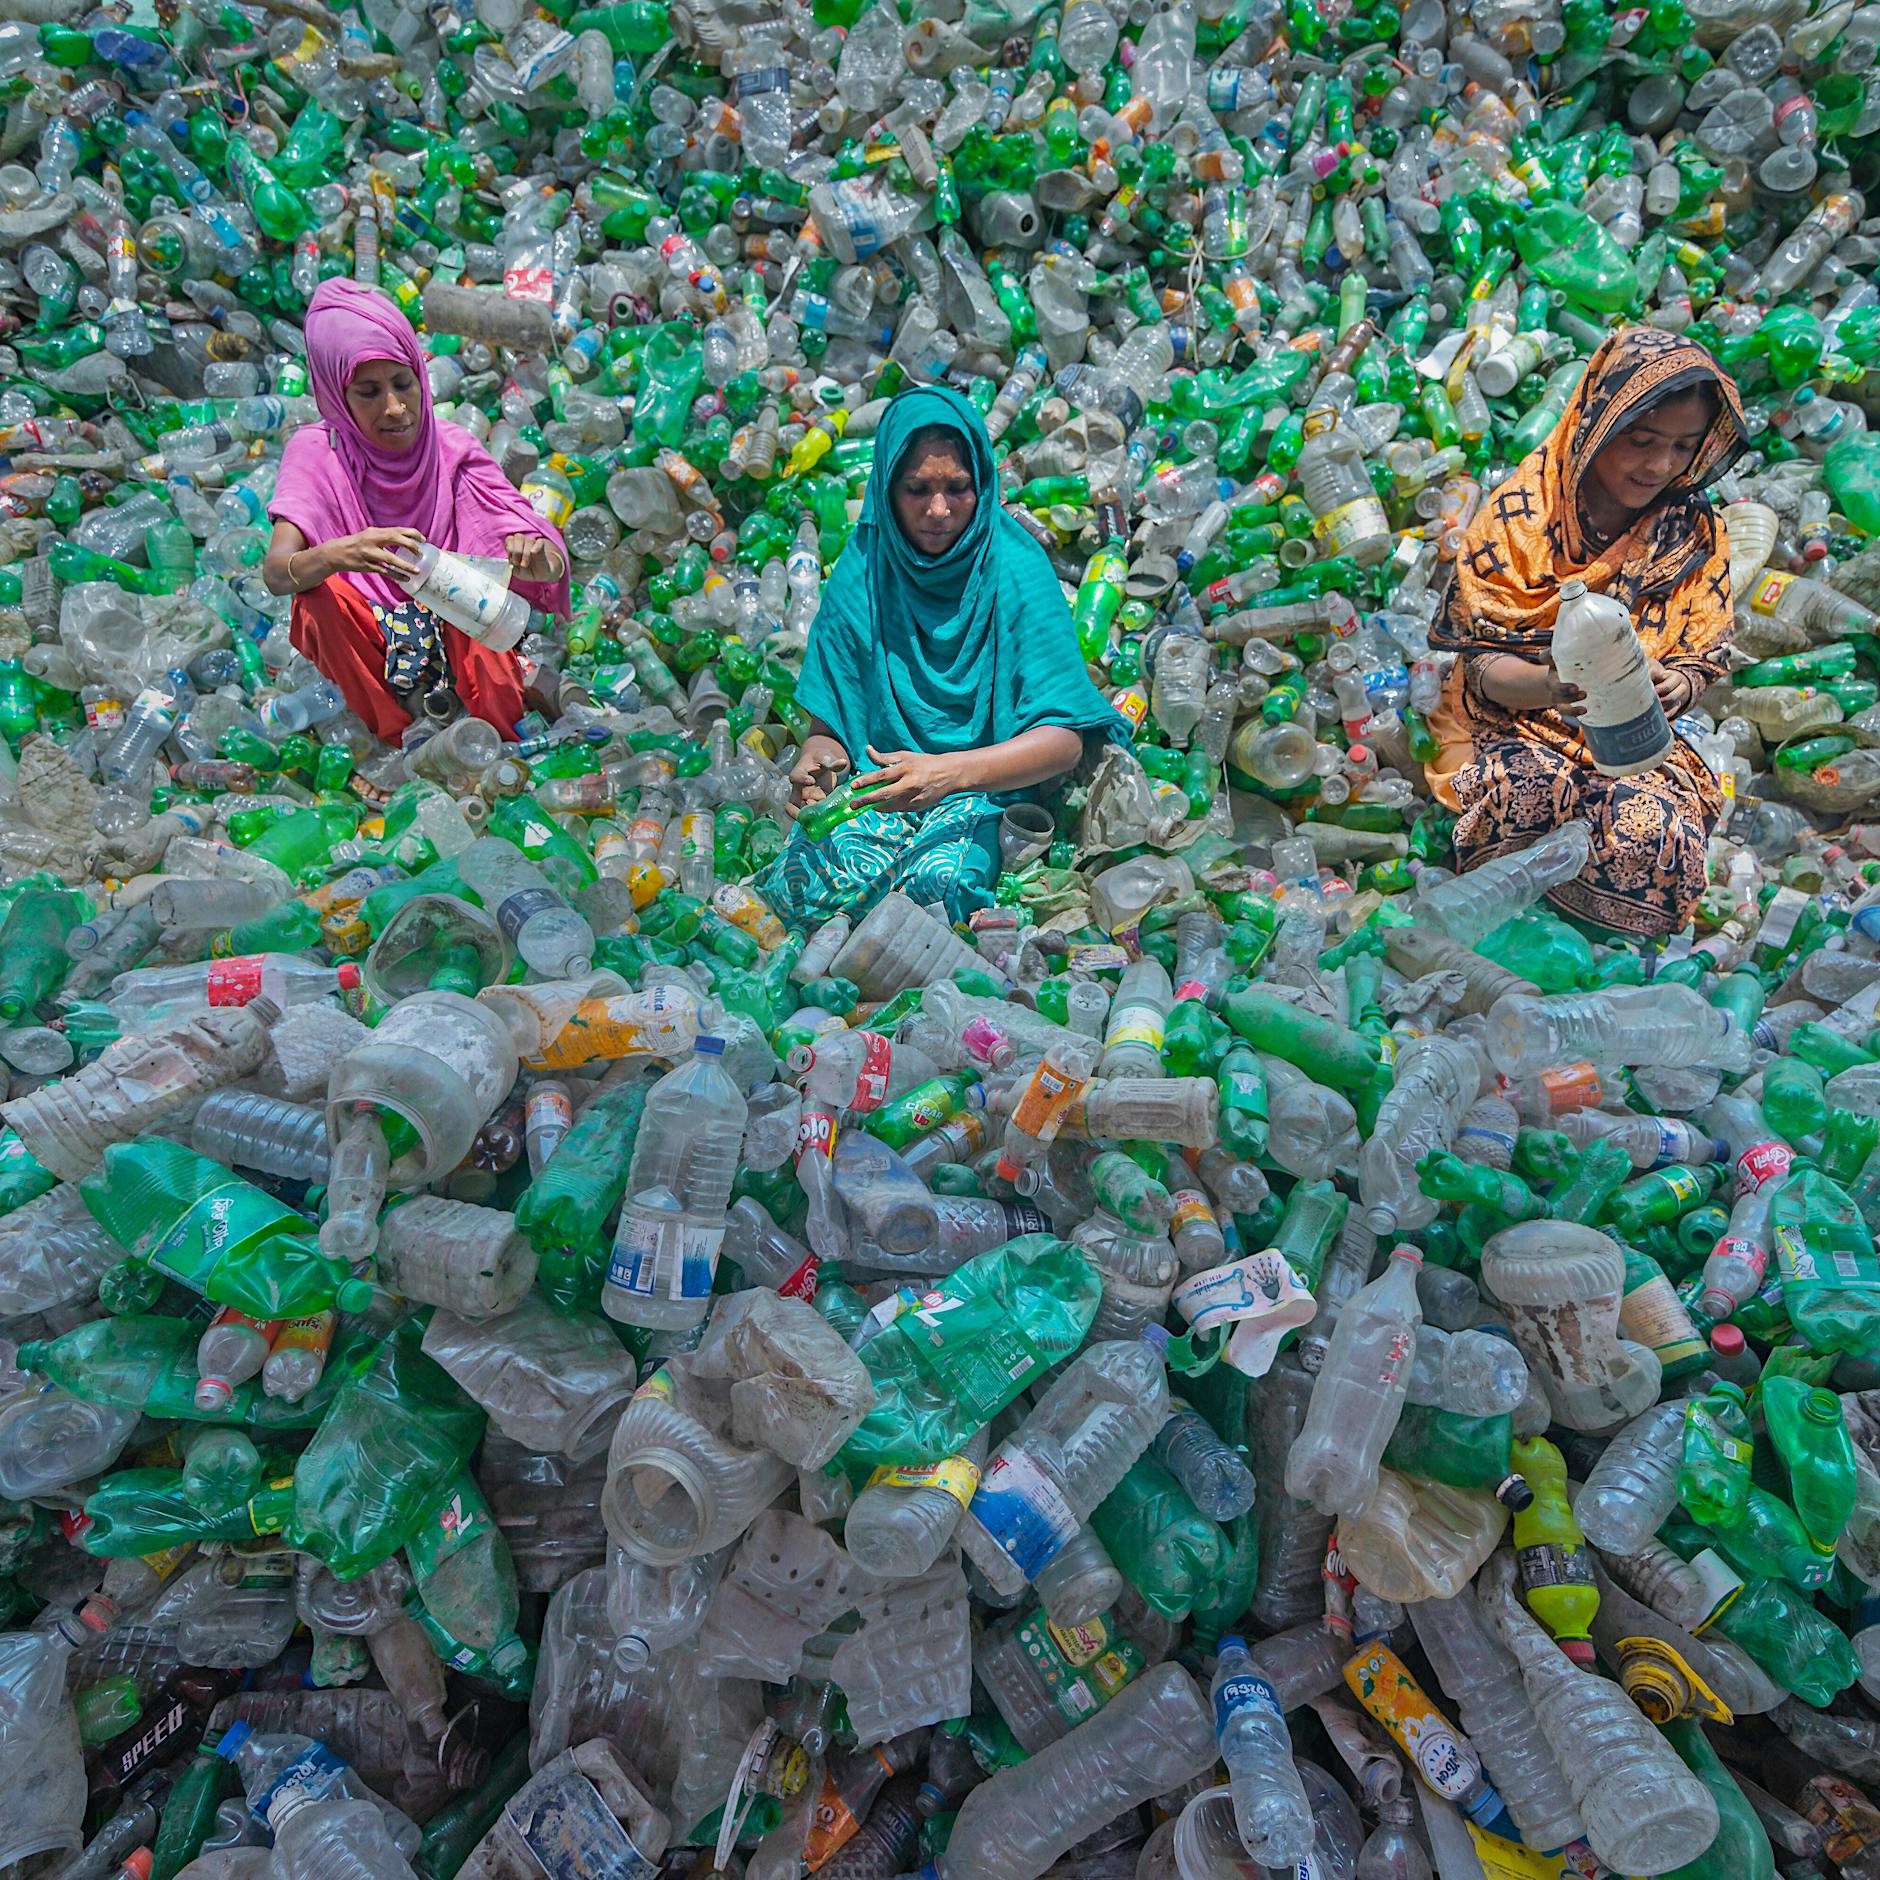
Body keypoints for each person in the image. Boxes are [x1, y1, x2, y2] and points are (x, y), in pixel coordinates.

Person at [756, 384, 1129, 925]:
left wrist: (948, 774)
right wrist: (818, 762)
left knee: (938, 893)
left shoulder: (1015, 570)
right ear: (886, 490)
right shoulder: (863, 572)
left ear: (983, 483)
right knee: (798, 888)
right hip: (878, 792)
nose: (939, 510)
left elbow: (1064, 742)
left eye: (958, 488)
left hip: (982, 788)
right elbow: (830, 727)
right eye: (916, 489)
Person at [1426, 326, 1748, 938]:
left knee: (1648, 828)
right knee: (1526, 798)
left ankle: (1613, 952)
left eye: (1683, 446)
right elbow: (1484, 666)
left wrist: (1678, 684)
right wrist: (1552, 688)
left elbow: (1700, 651)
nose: (1660, 465)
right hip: (1515, 719)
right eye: (1641, 439)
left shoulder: (1692, 530)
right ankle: (1527, 938)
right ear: (1595, 422)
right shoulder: (1522, 515)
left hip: (1634, 731)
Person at [261, 279, 570, 741]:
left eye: (403, 383)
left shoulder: (451, 449)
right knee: (316, 599)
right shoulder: (317, 452)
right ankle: (390, 735)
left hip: (457, 633)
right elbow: (277, 573)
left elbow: (543, 558)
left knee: (472, 591)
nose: (395, 408)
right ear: (335, 394)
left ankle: (494, 742)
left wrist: (537, 557)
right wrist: (343, 553)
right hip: (369, 639)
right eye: (368, 392)